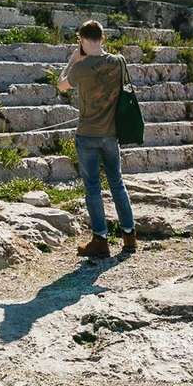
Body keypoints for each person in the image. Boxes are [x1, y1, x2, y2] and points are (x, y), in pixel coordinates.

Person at [60, 20, 136, 260]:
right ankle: (129, 236)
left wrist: (73, 59)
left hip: (87, 134)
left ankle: (100, 241)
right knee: (117, 183)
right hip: (111, 134)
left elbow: (62, 85)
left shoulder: (80, 67)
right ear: (102, 38)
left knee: (93, 187)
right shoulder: (118, 61)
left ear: (82, 40)